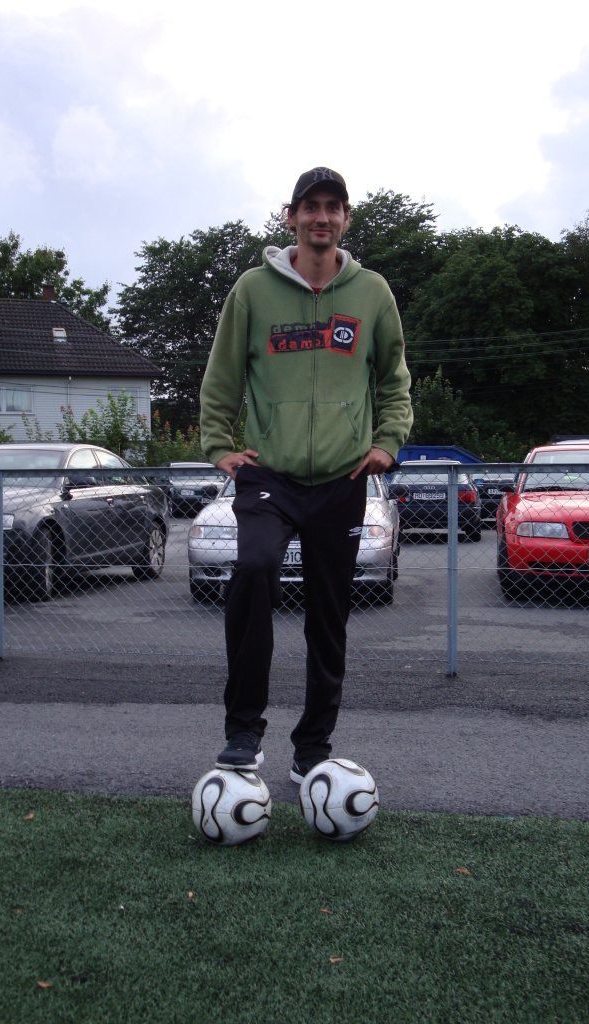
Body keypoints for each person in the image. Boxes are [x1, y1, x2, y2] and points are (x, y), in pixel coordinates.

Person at [199, 166, 413, 784]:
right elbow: (223, 375)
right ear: (291, 216)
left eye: (332, 207)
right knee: (254, 569)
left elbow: (394, 378)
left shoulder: (371, 292)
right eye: (310, 207)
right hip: (271, 475)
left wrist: (387, 443)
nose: (321, 217)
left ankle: (313, 745)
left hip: (343, 479)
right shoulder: (252, 290)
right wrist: (220, 446)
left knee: (329, 615)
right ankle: (243, 730)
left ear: (345, 218)